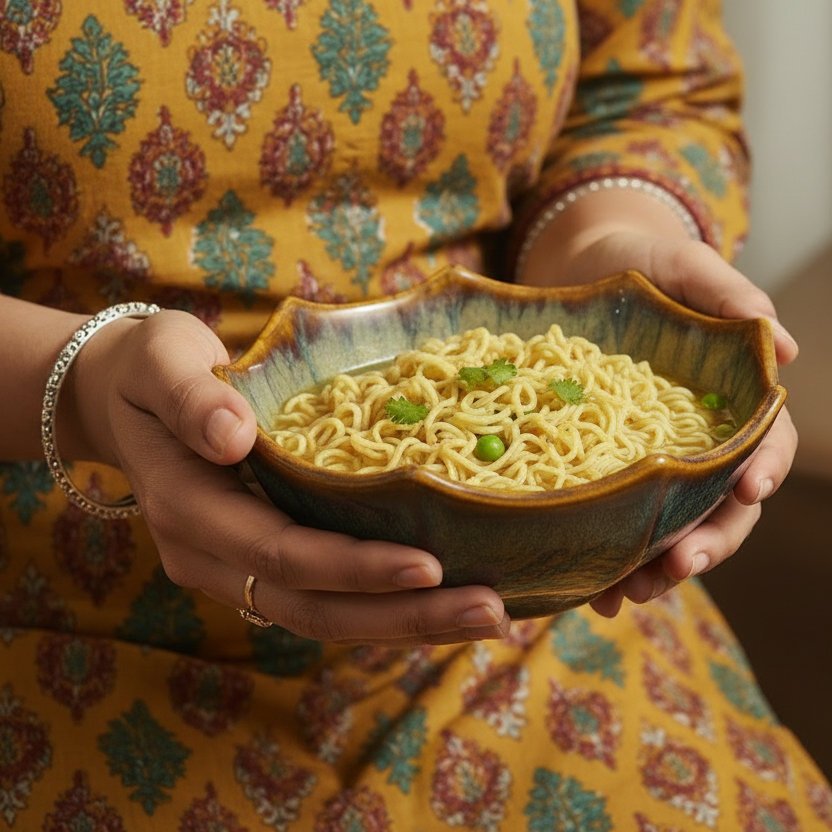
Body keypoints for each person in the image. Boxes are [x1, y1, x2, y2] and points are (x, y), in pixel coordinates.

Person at [0, 1, 828, 829]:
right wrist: (80, 383)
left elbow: (646, 77)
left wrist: (604, 257)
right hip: (75, 608)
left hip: (549, 574)